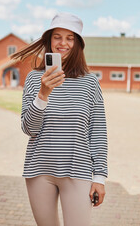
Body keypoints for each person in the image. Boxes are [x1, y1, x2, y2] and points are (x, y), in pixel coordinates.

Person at [11, 12, 108, 226]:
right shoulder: (35, 79)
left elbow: (98, 131)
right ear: (49, 40)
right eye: (57, 36)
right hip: (39, 170)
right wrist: (43, 94)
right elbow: (29, 128)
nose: (63, 43)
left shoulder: (90, 82)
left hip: (78, 170)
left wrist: (99, 178)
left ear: (78, 43)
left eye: (70, 37)